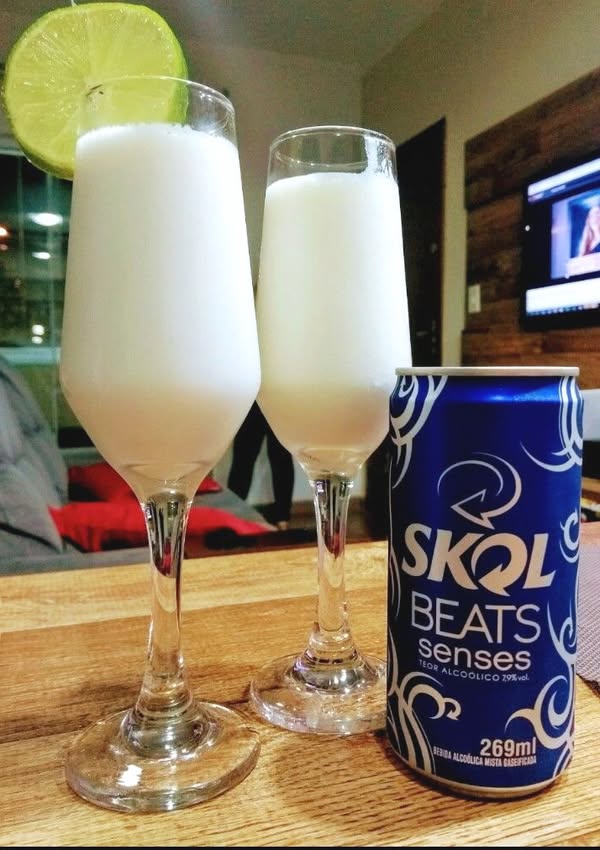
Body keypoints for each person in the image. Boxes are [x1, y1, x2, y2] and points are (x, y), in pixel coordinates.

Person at [227, 401, 294, 530]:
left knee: (280, 458)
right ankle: (233, 515)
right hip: (255, 400)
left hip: (275, 399)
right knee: (243, 458)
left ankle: (283, 518)